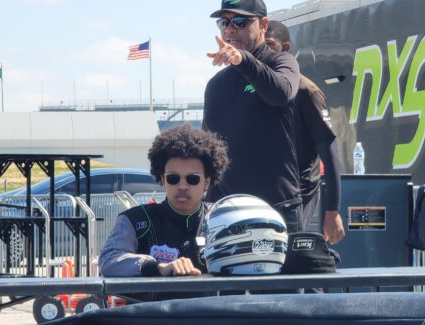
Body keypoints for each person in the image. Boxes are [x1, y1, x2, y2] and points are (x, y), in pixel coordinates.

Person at [204, 0, 303, 233]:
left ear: (264, 25)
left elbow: (281, 93)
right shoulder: (216, 85)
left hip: (278, 209)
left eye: (239, 21)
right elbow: (210, 151)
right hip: (229, 213)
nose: (229, 29)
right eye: (223, 22)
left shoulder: (282, 62)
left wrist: (243, 60)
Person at [99, 125, 229, 298]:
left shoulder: (224, 217)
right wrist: (157, 267)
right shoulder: (133, 219)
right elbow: (109, 260)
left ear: (207, 182)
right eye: (173, 178)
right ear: (162, 180)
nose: (183, 186)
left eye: (192, 179)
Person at [264, 21, 346, 245]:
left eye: (269, 44)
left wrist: (332, 211)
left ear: (286, 48)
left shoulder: (305, 91)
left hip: (298, 197)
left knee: (290, 264)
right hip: (261, 194)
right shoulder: (250, 87)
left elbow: (329, 153)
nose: (264, 50)